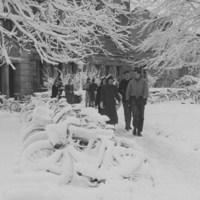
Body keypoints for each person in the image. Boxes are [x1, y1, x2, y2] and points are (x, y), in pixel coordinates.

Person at [126, 67, 149, 136]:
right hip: (133, 100)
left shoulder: (144, 81)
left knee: (141, 116)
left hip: (141, 100)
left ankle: (139, 130)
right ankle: (135, 127)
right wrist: (127, 99)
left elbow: (146, 90)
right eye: (133, 74)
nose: (134, 75)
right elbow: (128, 91)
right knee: (135, 115)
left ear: (139, 74)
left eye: (136, 74)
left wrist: (145, 98)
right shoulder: (131, 82)